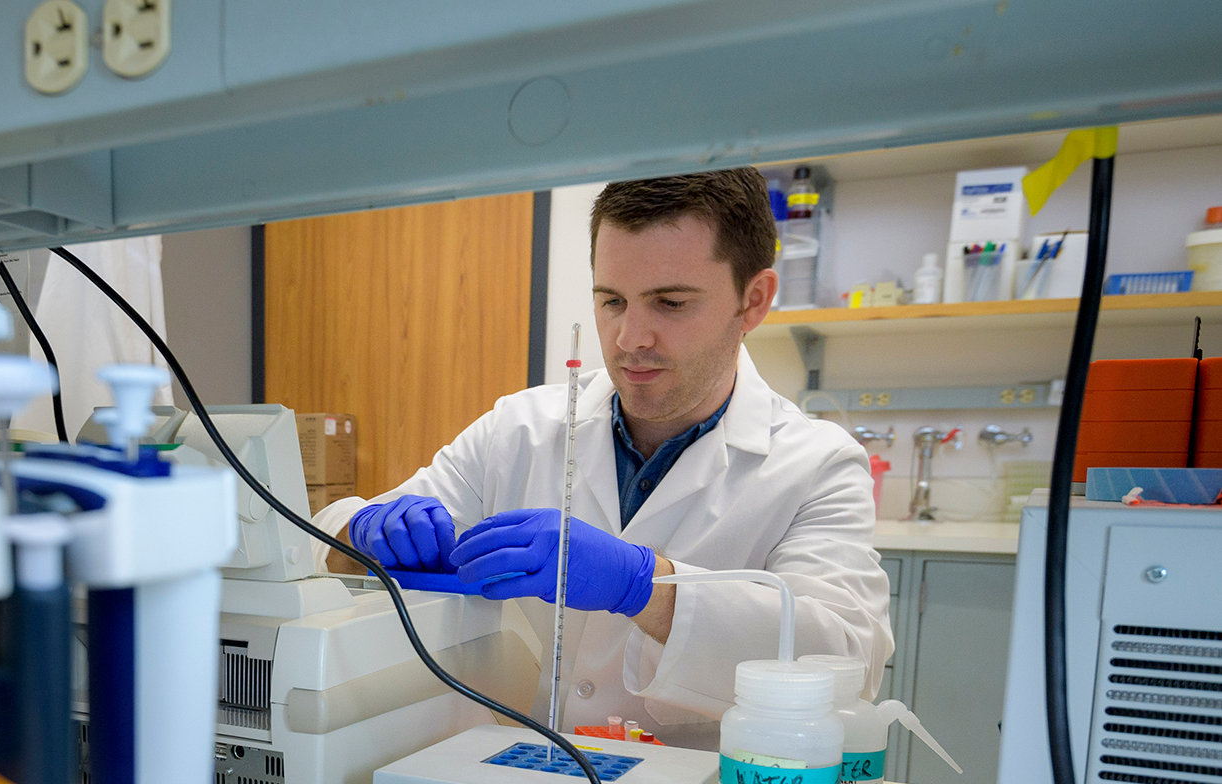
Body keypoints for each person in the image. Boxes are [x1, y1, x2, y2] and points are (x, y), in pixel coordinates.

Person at [312, 168, 890, 748]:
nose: (630, 338)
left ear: (754, 299)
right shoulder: (518, 430)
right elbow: (321, 548)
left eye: (670, 302)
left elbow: (847, 660)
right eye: (612, 301)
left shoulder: (818, 465)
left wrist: (645, 586)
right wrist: (359, 534)